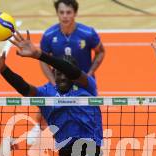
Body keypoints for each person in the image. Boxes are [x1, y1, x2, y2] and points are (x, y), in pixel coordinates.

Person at [27, 0, 106, 144]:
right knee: (45, 101)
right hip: (60, 80)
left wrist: (89, 74)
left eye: (68, 12)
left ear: (75, 13)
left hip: (83, 81)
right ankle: (38, 128)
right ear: (57, 13)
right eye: (61, 12)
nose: (65, 16)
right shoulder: (49, 35)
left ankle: (94, 135)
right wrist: (52, 81)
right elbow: (43, 59)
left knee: (91, 110)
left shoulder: (88, 33)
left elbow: (100, 52)